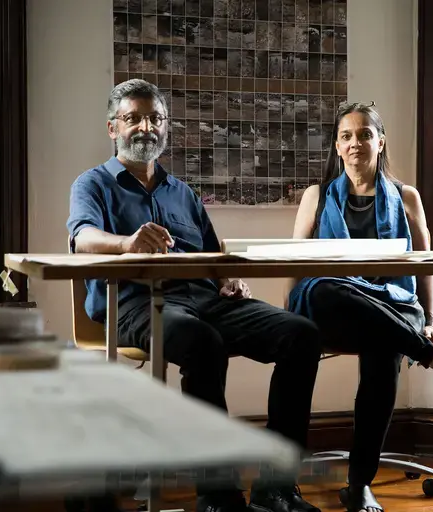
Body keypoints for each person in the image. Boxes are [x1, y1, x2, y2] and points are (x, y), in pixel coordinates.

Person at [66, 79, 322, 512]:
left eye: (156, 119)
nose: (146, 127)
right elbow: (82, 239)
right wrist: (126, 243)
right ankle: (218, 496)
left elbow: (213, 254)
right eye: (133, 118)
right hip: (135, 303)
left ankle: (275, 486)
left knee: (302, 334)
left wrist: (229, 278)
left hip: (207, 300)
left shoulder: (181, 192)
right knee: (202, 343)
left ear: (166, 128)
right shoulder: (91, 185)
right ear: (113, 128)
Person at [286, 102, 433, 512]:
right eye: (347, 136)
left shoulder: (407, 198)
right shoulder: (316, 197)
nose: (356, 143)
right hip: (333, 309)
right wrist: (289, 316)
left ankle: (358, 483)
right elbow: (295, 267)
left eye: (365, 134)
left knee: (384, 346)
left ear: (380, 141)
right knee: (323, 288)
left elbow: (424, 266)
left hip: (393, 307)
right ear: (337, 146)